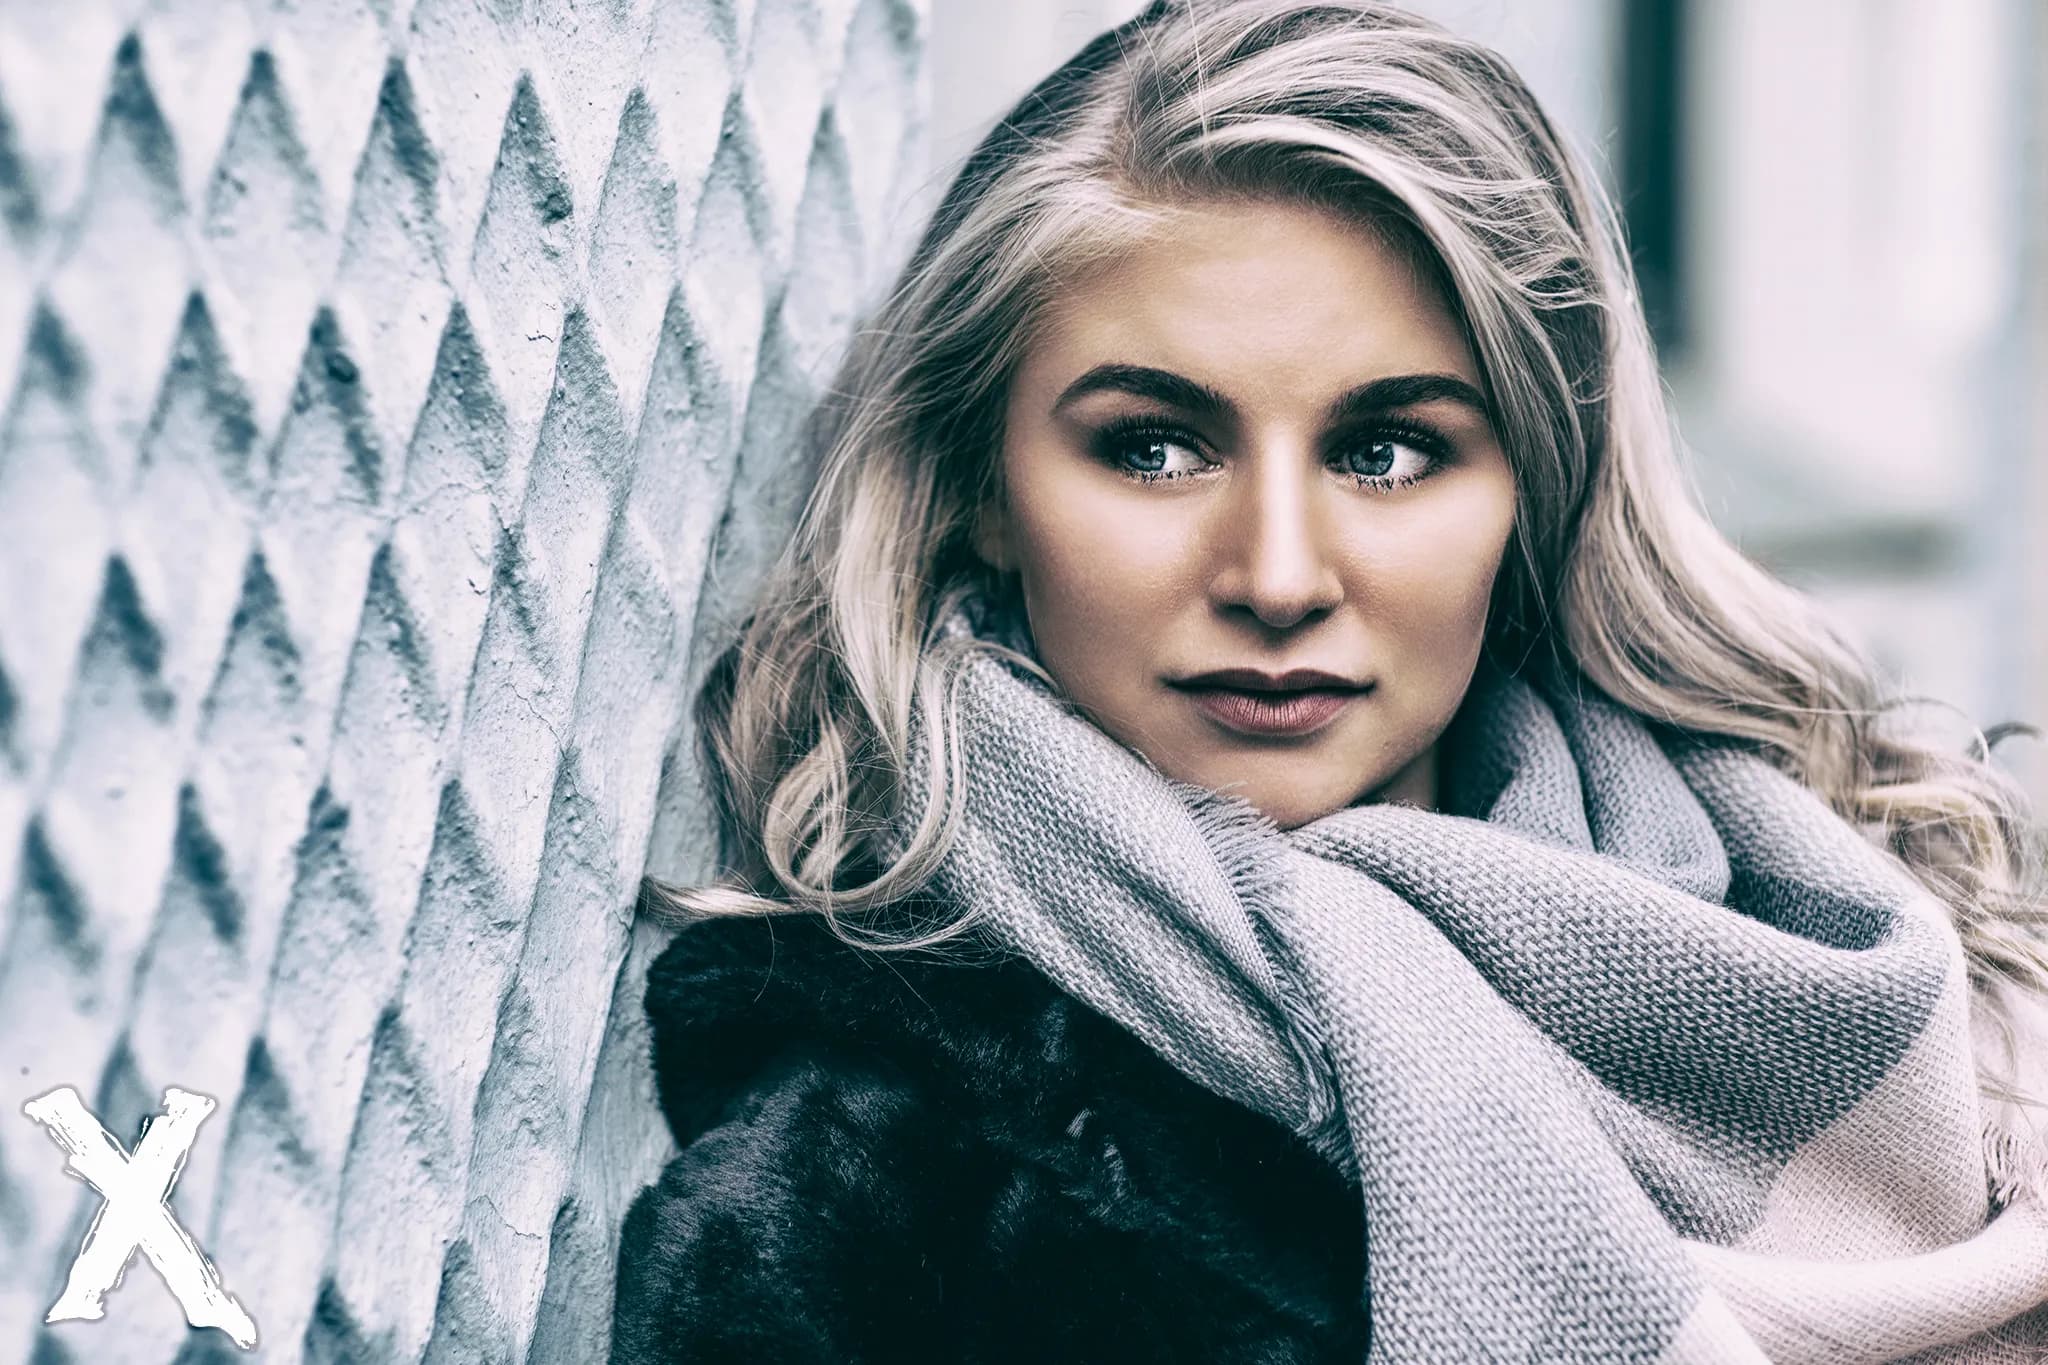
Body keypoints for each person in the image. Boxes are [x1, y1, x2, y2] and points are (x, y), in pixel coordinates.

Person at [608, 1, 2048, 1360]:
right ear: (983, 487)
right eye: (1156, 447)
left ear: (1531, 491)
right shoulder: (876, 1193)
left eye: (1387, 450)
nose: (1280, 574)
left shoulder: (1878, 920)